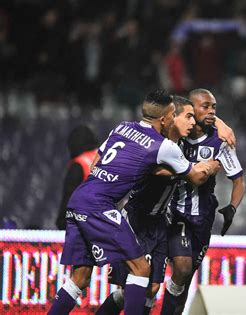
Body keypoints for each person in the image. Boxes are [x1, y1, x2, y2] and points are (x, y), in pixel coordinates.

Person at [48, 90, 220, 315]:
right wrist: (212, 165)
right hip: (102, 206)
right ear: (165, 119)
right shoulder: (163, 146)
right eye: (177, 115)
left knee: (79, 278)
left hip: (80, 199)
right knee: (140, 269)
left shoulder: (121, 127)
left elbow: (96, 164)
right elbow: (196, 177)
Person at [95, 96, 202, 315]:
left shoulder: (180, 143)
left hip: (159, 222)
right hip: (138, 220)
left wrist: (220, 124)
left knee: (152, 288)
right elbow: (194, 176)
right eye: (187, 116)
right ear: (171, 118)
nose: (193, 123)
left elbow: (206, 113)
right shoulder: (155, 144)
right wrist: (202, 168)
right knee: (132, 289)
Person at [161, 88, 245, 315]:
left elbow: (238, 181)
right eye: (205, 107)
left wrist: (232, 208)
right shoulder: (174, 134)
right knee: (182, 267)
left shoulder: (220, 141)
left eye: (214, 107)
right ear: (190, 109)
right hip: (176, 214)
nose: (211, 111)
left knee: (185, 278)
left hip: (203, 217)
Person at [56, 125, 98, 229]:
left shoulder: (80, 165)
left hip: (86, 225)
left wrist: (62, 223)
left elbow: (69, 198)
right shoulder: (104, 157)